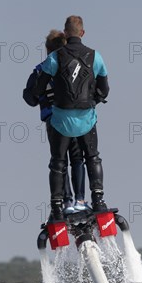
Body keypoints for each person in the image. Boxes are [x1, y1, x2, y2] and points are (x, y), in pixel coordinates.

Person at [35, 15, 110, 221]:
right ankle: (97, 200)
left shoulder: (54, 58)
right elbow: (105, 89)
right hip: (86, 121)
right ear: (83, 33)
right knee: (92, 157)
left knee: (58, 163)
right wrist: (93, 101)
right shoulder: (96, 57)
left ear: (66, 33)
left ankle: (58, 207)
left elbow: (39, 87)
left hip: (61, 122)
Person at [23, 30, 88, 214]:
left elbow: (31, 97)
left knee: (60, 162)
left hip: (53, 121)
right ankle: (80, 199)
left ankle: (67, 202)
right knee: (77, 158)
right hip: (74, 118)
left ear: (47, 49)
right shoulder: (73, 66)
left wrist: (31, 94)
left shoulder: (40, 69)